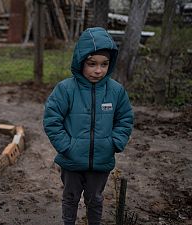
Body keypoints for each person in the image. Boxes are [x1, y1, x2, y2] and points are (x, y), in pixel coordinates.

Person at [43, 27, 134, 225]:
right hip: (72, 162)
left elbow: (125, 119)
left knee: (95, 199)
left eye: (104, 64)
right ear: (80, 61)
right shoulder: (66, 89)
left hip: (101, 161)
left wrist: (114, 143)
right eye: (92, 64)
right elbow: (52, 119)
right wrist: (67, 146)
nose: (98, 70)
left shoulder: (116, 91)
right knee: (70, 198)